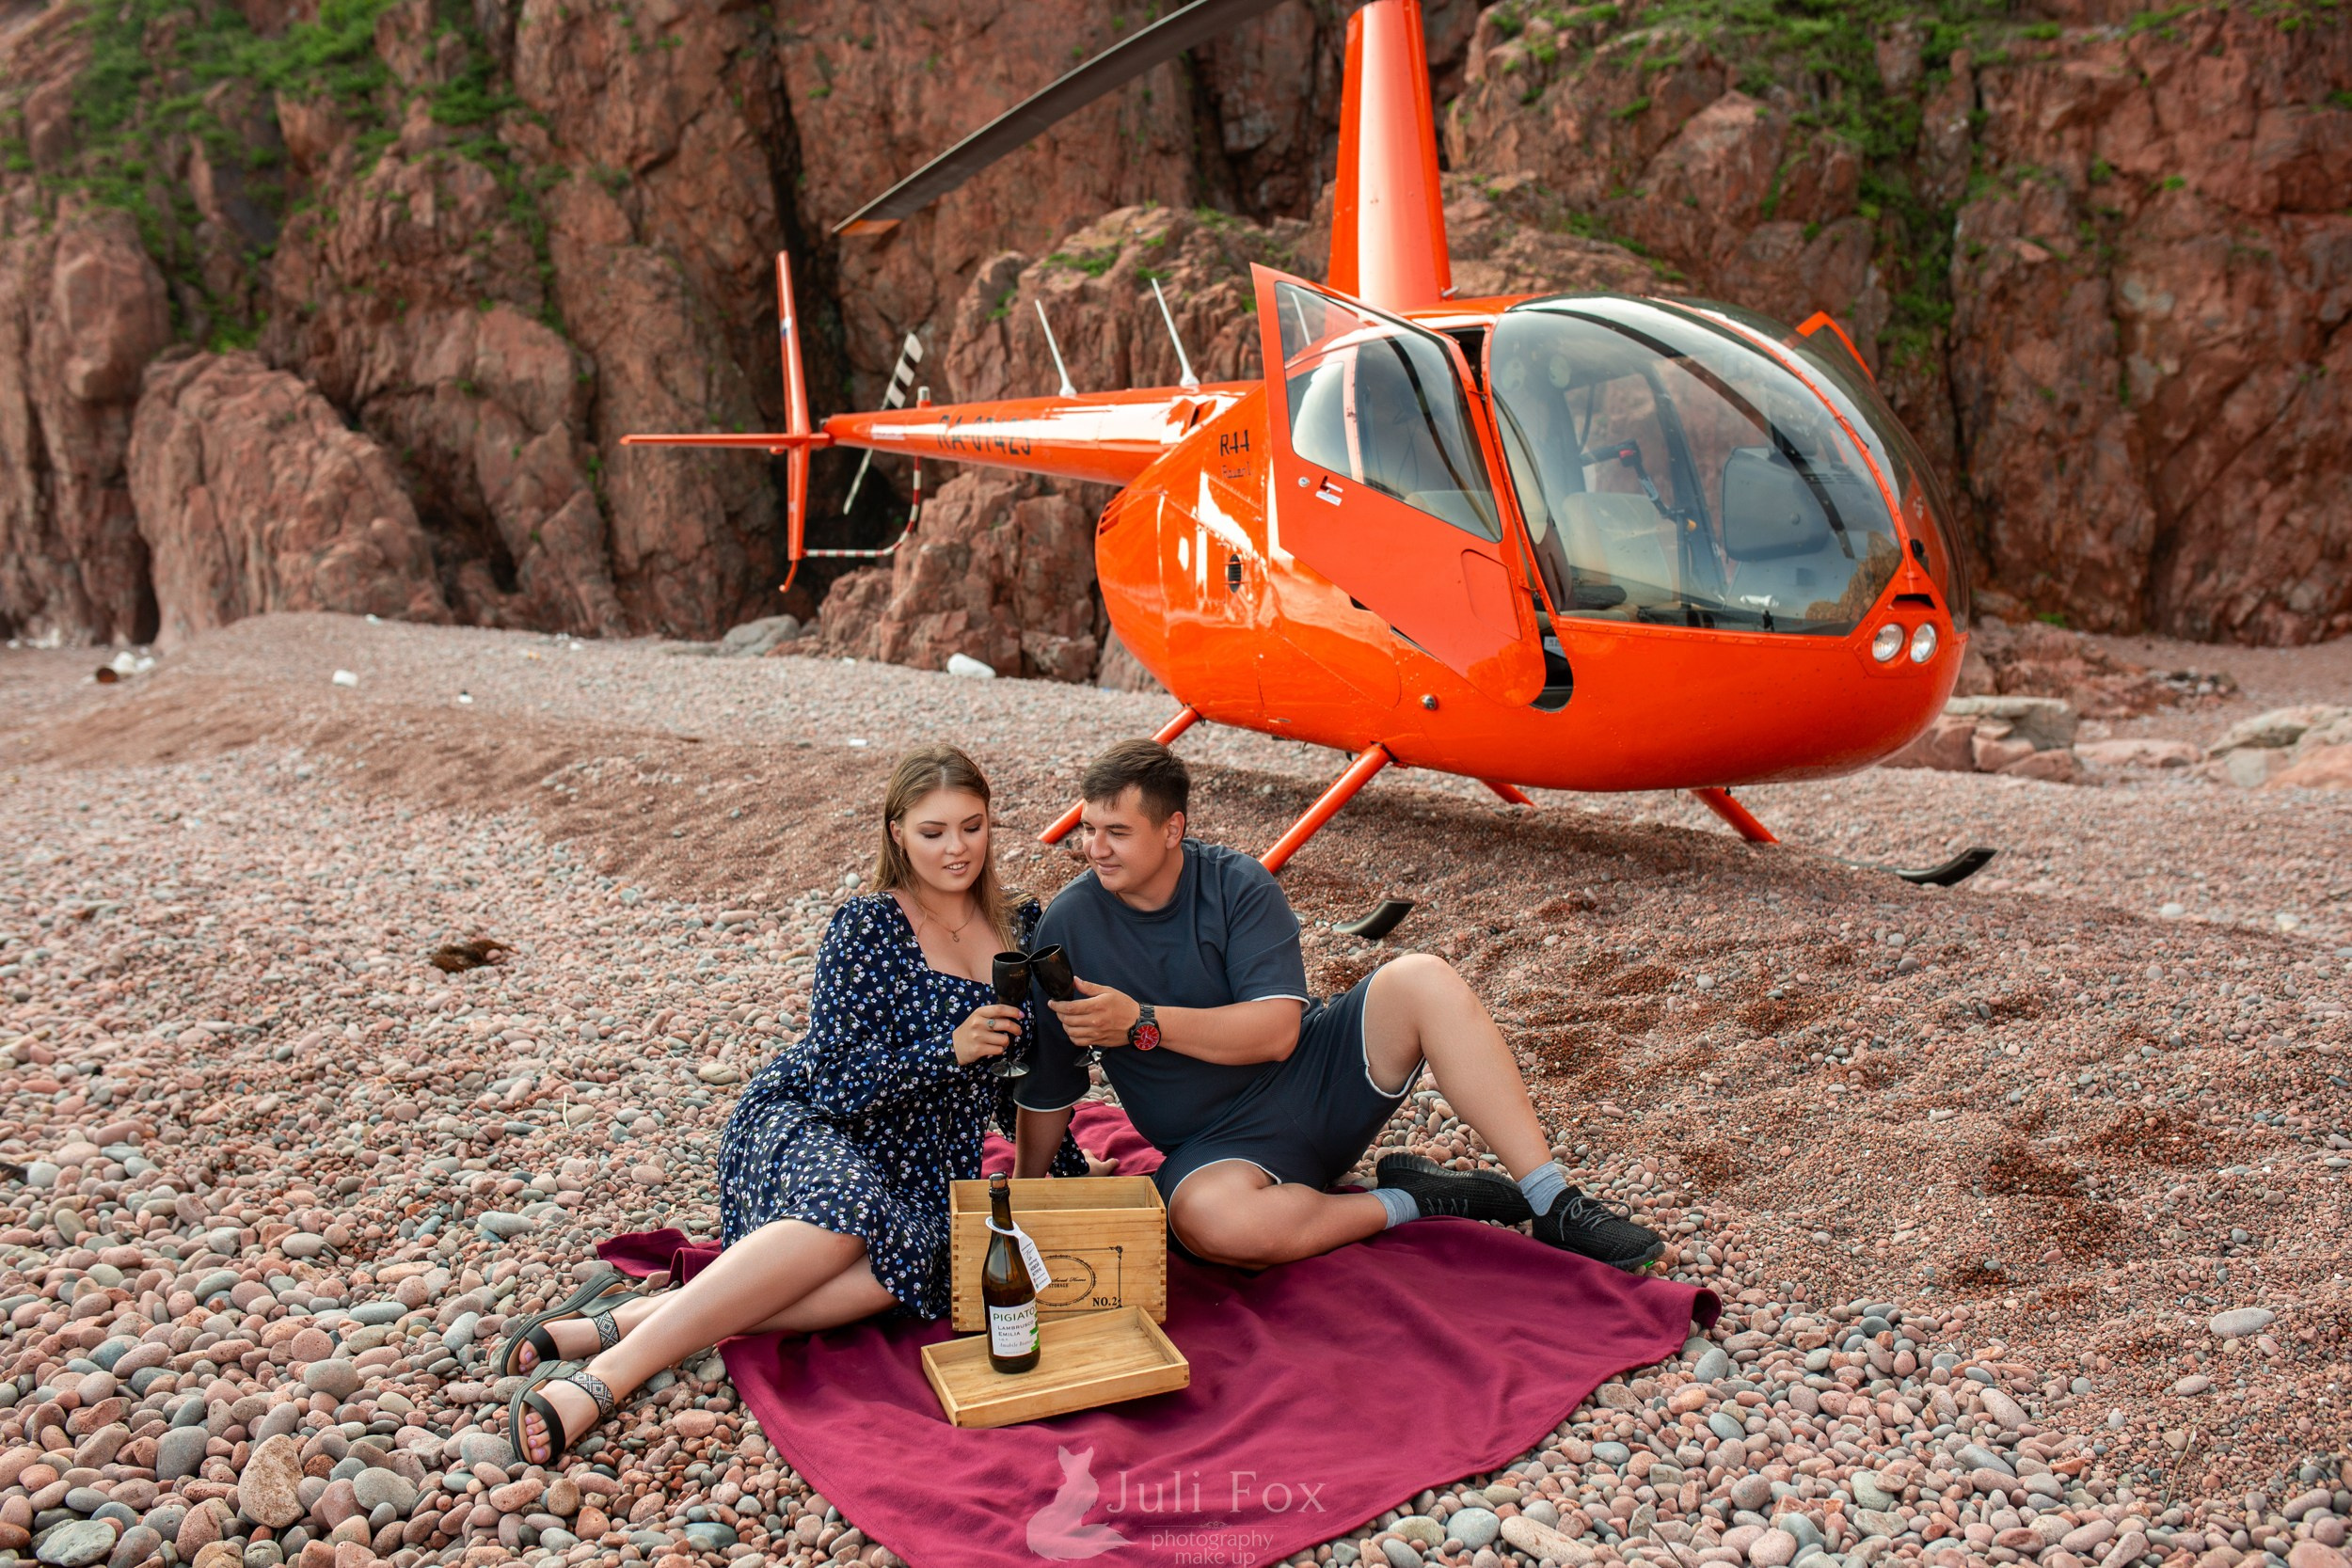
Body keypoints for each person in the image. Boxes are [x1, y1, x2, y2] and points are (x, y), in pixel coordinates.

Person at [499, 744, 1094, 1464]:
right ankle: (607, 1374)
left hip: (928, 1159)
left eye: (971, 826)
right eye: (933, 831)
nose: (956, 847)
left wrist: (1059, 1174)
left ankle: (638, 1315)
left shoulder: (1020, 924)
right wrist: (950, 1049)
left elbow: (1026, 1076)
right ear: (898, 831)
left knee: (920, 1270)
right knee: (845, 1214)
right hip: (816, 1120)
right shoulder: (867, 926)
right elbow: (837, 1078)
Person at [1012, 739, 1663, 1272]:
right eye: (1089, 829)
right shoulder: (1070, 924)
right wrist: (1022, 1195)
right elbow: (1051, 1080)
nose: (1094, 848)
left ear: (1172, 828)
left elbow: (1276, 1033)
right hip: (1216, 1148)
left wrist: (1142, 1023)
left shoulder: (1237, 884)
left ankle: (1553, 1201)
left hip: (1319, 1083)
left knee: (1423, 977)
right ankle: (1413, 1200)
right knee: (1211, 1225)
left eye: (1116, 832)